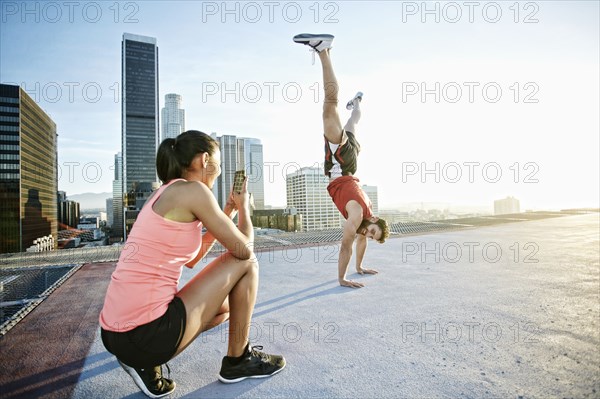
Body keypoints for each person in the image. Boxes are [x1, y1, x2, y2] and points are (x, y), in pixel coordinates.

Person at [99, 130, 285, 398]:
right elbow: (244, 251)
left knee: (225, 309)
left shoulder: (165, 193)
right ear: (204, 159)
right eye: (218, 165)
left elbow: (192, 260)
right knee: (248, 264)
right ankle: (238, 360)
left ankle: (144, 363)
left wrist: (228, 212)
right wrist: (244, 208)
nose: (219, 171)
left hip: (116, 334)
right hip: (145, 335)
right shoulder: (194, 190)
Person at [293, 34, 390, 288]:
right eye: (371, 230)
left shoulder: (367, 216)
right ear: (373, 220)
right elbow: (346, 245)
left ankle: (357, 102)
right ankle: (324, 51)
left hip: (351, 162)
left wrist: (360, 267)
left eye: (371, 235)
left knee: (353, 120)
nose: (367, 234)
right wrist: (342, 278)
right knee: (330, 105)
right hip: (342, 161)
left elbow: (361, 241)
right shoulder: (358, 215)